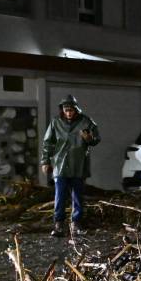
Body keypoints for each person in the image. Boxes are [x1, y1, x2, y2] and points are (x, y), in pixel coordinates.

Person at [41, 95, 100, 237]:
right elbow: (48, 142)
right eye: (66, 110)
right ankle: (59, 224)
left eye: (71, 110)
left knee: (78, 196)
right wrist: (45, 161)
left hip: (79, 164)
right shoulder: (55, 122)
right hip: (60, 164)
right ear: (62, 110)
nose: (68, 113)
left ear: (76, 109)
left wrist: (89, 138)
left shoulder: (86, 122)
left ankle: (76, 224)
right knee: (60, 195)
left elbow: (96, 138)